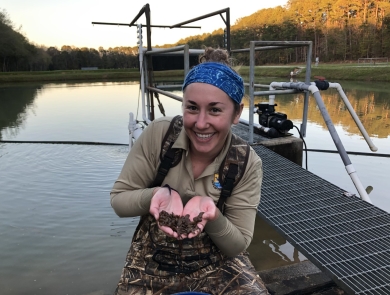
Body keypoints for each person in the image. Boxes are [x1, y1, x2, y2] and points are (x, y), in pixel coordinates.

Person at [110, 47, 268, 295]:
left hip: (216, 261)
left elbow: (237, 245)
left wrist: (212, 216)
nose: (201, 123)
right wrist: (153, 196)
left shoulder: (246, 162)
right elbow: (119, 200)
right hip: (152, 257)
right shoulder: (161, 135)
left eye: (215, 110)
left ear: (237, 113)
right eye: (192, 108)